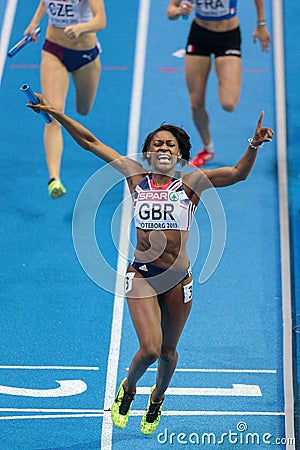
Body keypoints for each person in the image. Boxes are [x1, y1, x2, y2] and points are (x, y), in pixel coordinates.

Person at [27, 94, 273, 434]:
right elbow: (90, 142)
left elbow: (237, 174)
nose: (163, 147)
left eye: (170, 144)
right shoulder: (135, 176)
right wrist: (57, 113)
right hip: (142, 275)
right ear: (148, 151)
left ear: (180, 154)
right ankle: (128, 390)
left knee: (169, 354)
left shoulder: (191, 183)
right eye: (157, 143)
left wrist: (254, 144)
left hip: (178, 281)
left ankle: (156, 399)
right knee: (148, 350)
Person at [167, 0, 271, 167]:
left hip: (228, 37)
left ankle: (225, 69)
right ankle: (208, 148)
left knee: (229, 104)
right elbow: (170, 11)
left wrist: (261, 24)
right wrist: (180, 10)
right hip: (199, 36)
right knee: (196, 103)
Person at [24, 0, 107, 198]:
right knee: (52, 113)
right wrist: (34, 22)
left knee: (83, 108)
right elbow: (46, 2)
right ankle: (54, 179)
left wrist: (81, 27)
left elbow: (101, 21)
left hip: (85, 54)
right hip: (53, 49)